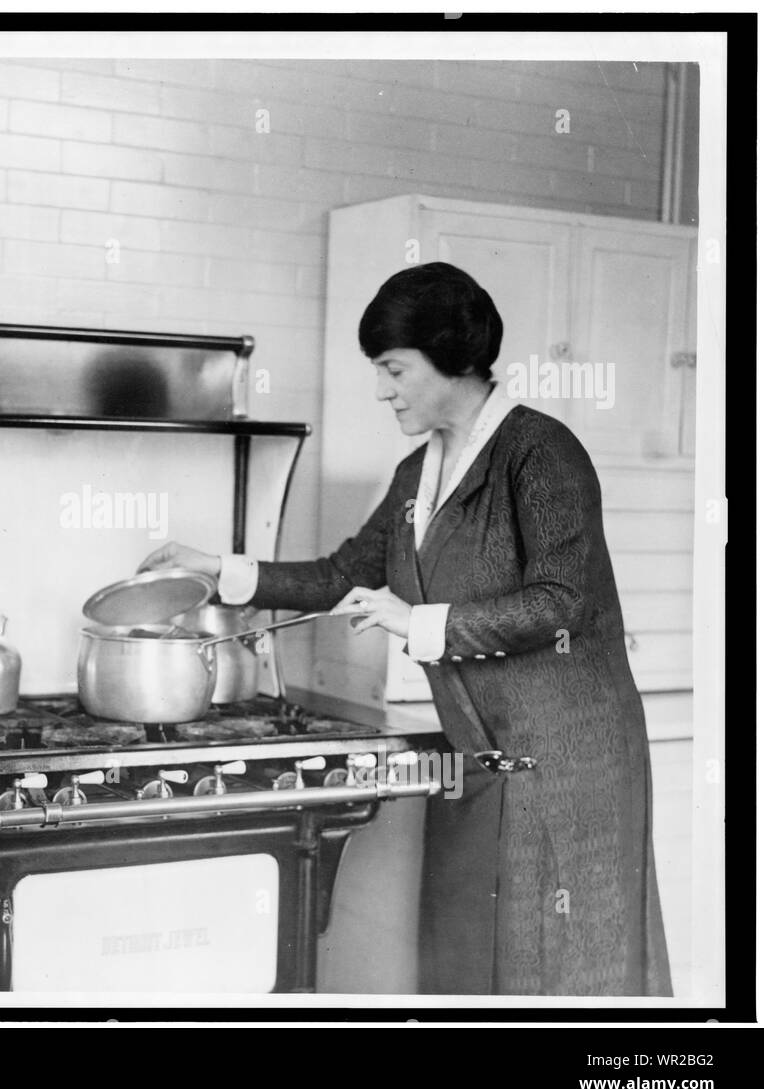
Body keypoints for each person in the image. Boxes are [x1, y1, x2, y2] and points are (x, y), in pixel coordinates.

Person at [141, 262, 672, 997]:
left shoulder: (541, 452)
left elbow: (562, 601)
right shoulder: (415, 473)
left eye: (393, 369)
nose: (382, 389)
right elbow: (340, 573)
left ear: (450, 357)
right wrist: (216, 569)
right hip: (480, 754)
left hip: (565, 761)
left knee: (557, 967)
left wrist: (417, 621)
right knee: (465, 955)